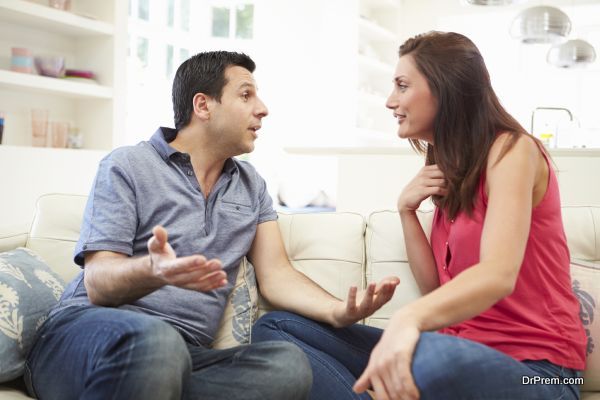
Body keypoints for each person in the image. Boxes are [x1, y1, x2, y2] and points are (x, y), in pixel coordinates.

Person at [24, 51, 400, 400]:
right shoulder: (127, 165)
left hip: (186, 356)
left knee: (287, 367)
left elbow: (277, 274)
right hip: (87, 335)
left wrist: (340, 311)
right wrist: (153, 270)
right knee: (158, 344)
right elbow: (98, 281)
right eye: (246, 95)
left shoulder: (251, 186)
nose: (263, 109)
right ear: (203, 105)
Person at [252, 31, 586, 400]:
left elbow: (497, 276)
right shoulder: (452, 173)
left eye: (401, 85)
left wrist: (408, 320)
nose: (390, 101)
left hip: (540, 373)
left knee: (428, 354)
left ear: (446, 88)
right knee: (278, 327)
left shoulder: (513, 150)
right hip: (458, 354)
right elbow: (436, 290)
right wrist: (406, 211)